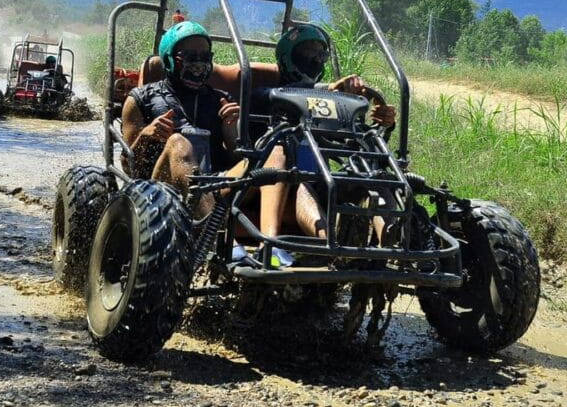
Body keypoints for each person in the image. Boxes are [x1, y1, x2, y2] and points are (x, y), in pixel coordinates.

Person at [218, 24, 396, 263]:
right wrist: (329, 90)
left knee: (370, 165)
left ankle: (393, 239)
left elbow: (350, 140)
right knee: (298, 180)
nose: (315, 59)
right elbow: (285, 95)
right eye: (307, 52)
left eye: (320, 54)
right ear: (288, 57)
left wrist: (384, 122)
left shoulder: (329, 100)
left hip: (321, 181)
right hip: (270, 181)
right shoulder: (263, 94)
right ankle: (317, 245)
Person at [121, 21, 239, 196]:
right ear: (170, 59)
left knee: (272, 157)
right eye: (191, 57)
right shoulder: (141, 99)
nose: (199, 63)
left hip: (215, 183)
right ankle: (207, 216)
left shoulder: (221, 101)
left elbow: (236, 162)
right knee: (178, 143)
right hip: (162, 193)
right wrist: (146, 136)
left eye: (205, 57)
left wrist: (230, 133)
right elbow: (128, 168)